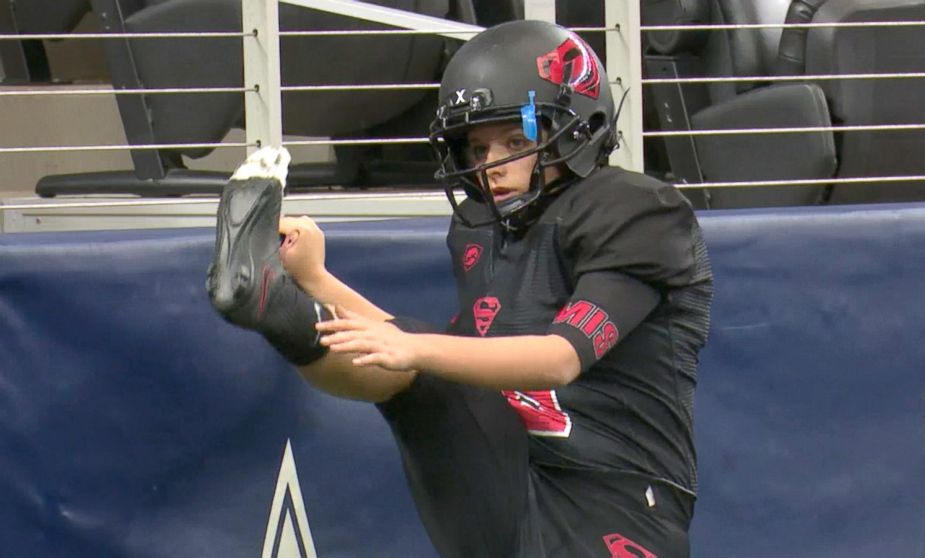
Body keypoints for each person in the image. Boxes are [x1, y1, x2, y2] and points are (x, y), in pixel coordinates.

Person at [208, 20, 713, 558]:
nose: (490, 164)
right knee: (421, 376)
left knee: (420, 363)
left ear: (576, 127)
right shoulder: (486, 228)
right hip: (514, 478)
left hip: (608, 500)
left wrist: (413, 347)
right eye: (476, 147)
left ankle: (276, 307)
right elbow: (441, 364)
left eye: (515, 141)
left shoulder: (634, 211)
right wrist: (314, 279)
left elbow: (559, 359)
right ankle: (271, 306)